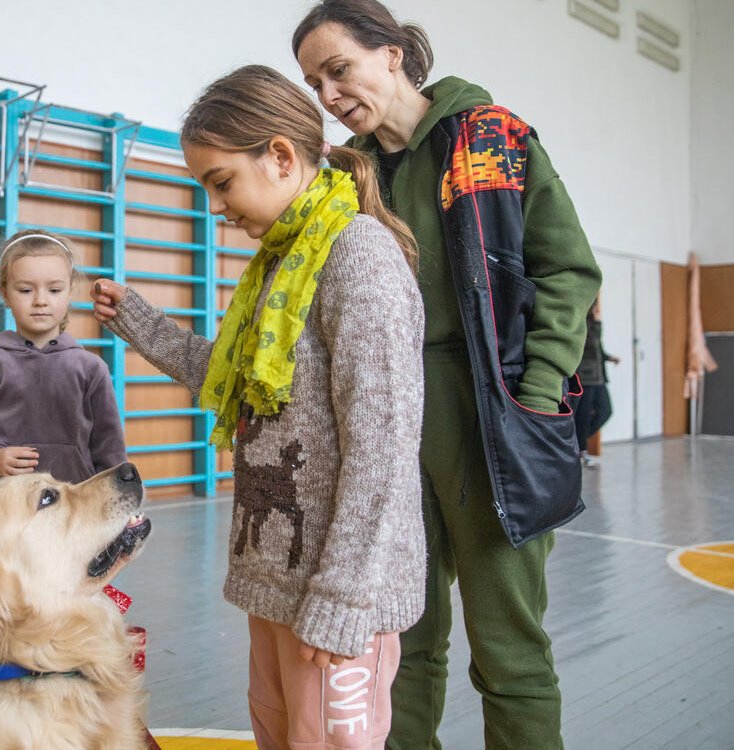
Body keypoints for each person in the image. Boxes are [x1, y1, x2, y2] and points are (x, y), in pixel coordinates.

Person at [292, 3, 603, 749]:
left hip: (490, 417)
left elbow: (569, 270)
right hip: (386, 424)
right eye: (314, 83)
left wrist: (530, 398)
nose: (330, 96)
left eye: (339, 70)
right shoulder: (344, 174)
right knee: (402, 644)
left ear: (393, 54)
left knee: (509, 651)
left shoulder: (495, 138)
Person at [93, 64, 426, 750]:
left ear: (279, 155)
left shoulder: (357, 256)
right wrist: (137, 320)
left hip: (337, 599)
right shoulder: (281, 262)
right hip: (278, 585)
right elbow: (233, 375)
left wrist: (342, 600)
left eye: (221, 182)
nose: (218, 206)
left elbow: (384, 449)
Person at [0, 230, 127, 492]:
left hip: (75, 517)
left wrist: (114, 501)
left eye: (54, 289)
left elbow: (110, 450)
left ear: (70, 290)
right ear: (5, 292)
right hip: (5, 513)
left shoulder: (91, 369)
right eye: (26, 289)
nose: (40, 301)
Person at [574, 297, 619, 467]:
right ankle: (581, 451)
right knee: (583, 416)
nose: (597, 310)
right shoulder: (583, 325)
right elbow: (590, 347)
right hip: (586, 377)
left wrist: (609, 358)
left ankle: (577, 441)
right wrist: (598, 324)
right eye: (595, 307)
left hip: (599, 377)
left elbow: (598, 349)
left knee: (605, 410)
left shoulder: (593, 325)